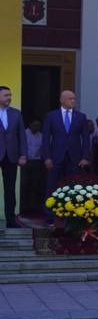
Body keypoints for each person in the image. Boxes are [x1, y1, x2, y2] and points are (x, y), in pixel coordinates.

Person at [42, 90, 92, 222]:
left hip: (75, 158)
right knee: (51, 186)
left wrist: (85, 157)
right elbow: (46, 138)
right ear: (62, 100)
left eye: (74, 99)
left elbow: (86, 139)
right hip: (55, 157)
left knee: (74, 187)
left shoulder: (81, 116)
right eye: (70, 99)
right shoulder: (51, 116)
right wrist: (47, 157)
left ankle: (73, 217)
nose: (73, 101)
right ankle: (50, 217)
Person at [0, 85, 26, 228]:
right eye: (6, 95)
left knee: (10, 189)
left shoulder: (16, 113)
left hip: (11, 156)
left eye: (10, 95)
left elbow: (21, 135)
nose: (9, 98)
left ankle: (11, 219)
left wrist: (23, 155)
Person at [21, 118, 44, 216]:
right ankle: (23, 207)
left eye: (38, 125)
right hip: (26, 162)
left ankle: (33, 207)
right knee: (24, 185)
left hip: (37, 162)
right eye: (35, 125)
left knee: (35, 185)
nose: (36, 127)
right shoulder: (24, 134)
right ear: (30, 124)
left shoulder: (41, 135)